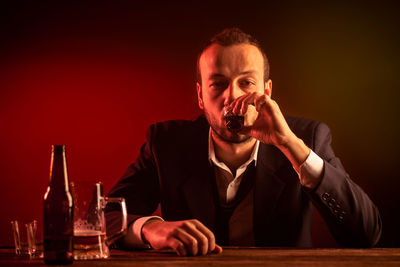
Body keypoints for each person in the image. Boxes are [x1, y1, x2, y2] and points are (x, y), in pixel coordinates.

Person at [105, 28, 382, 256]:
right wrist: (150, 228)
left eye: (247, 83)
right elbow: (105, 218)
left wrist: (291, 146)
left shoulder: (307, 138)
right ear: (201, 95)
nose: (232, 97)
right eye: (218, 83)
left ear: (267, 91)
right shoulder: (166, 143)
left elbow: (366, 234)